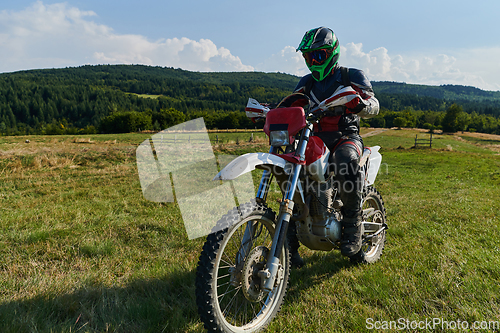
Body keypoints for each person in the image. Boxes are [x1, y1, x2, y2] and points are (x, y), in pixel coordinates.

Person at [287, 27, 380, 267]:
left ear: (332, 53)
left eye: (318, 55)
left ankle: (352, 225)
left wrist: (361, 104)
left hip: (345, 137)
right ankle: (288, 243)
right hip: (313, 139)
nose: (313, 61)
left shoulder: (351, 75)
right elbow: (291, 105)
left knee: (346, 161)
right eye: (308, 56)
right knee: (290, 172)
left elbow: (374, 103)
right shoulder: (306, 83)